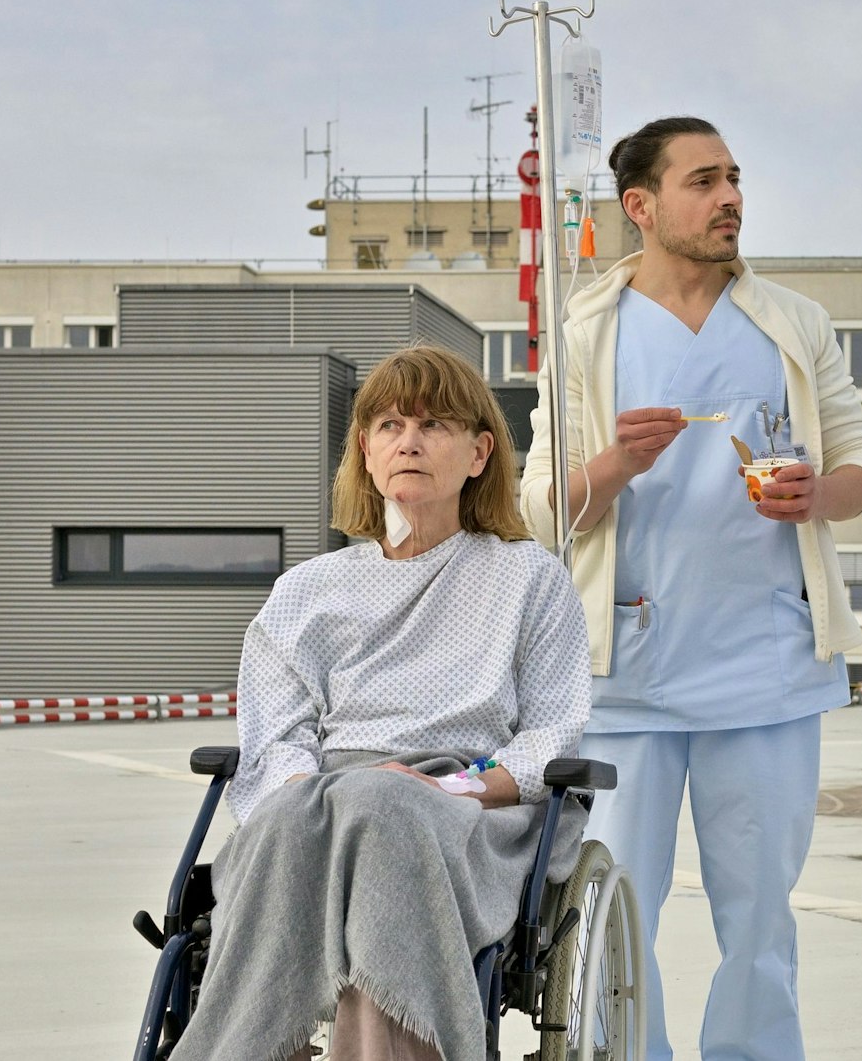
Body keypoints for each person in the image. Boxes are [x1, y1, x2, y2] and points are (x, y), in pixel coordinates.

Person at [520, 116, 862, 1060]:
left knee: (761, 923)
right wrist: (614, 464)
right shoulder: (585, 331)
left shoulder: (791, 323)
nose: (729, 198)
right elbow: (537, 509)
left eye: (734, 178)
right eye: (702, 181)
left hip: (763, 671)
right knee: (614, 920)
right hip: (628, 676)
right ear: (641, 206)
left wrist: (817, 498)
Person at [172, 345, 592, 1061]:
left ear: (479, 452)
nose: (409, 441)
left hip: (468, 808)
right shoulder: (307, 593)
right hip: (325, 806)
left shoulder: (528, 578)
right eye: (390, 424)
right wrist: (325, 800)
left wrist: (445, 786)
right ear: (365, 451)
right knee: (335, 810)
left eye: (434, 424)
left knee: (381, 808)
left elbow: (552, 731)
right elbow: (275, 741)